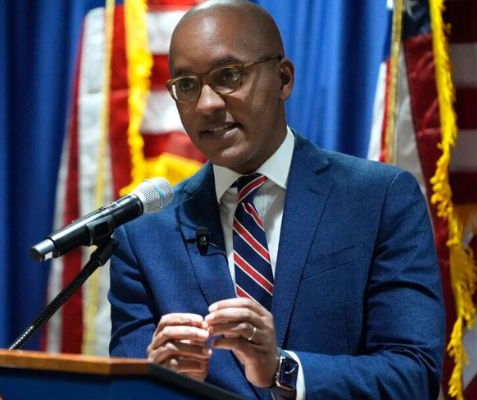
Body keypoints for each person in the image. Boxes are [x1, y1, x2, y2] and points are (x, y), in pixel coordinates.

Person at [108, 1, 444, 398]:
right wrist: (157, 381)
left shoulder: (380, 199)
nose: (207, 104)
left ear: (283, 79)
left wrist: (283, 369)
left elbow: (414, 375)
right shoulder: (144, 236)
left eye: (228, 76)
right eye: (186, 86)